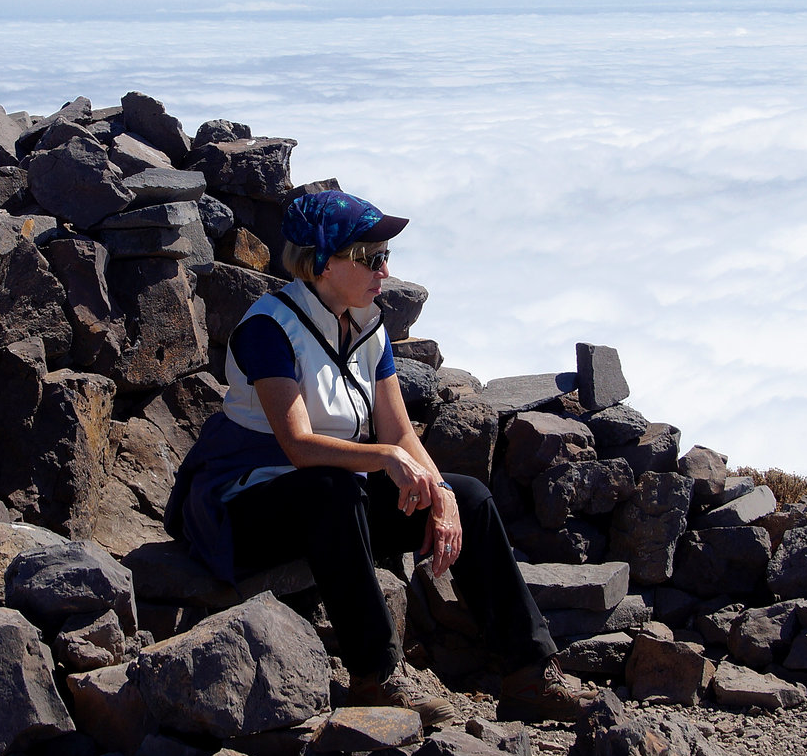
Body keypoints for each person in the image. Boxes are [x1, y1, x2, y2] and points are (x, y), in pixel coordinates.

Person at [166, 189, 595, 727]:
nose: (385, 271)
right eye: (370, 257)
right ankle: (375, 675)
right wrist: (386, 456)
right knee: (333, 488)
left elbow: (397, 429)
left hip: (326, 497)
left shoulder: (368, 325)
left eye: (385, 256)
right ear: (321, 261)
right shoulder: (268, 329)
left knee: (472, 497)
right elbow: (298, 445)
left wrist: (440, 495)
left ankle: (529, 673)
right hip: (242, 506)